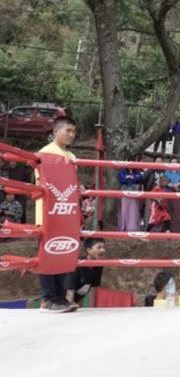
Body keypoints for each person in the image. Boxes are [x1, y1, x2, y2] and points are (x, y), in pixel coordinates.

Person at [35, 116, 78, 313]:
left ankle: (60, 298)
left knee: (63, 252)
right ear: (55, 131)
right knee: (48, 252)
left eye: (73, 131)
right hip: (47, 212)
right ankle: (48, 298)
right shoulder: (45, 153)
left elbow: (72, 184)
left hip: (66, 211)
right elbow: (40, 182)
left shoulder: (72, 157)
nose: (71, 135)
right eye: (67, 130)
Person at [65, 238, 106, 309]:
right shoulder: (77, 264)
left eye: (103, 247)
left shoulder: (99, 265)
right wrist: (70, 304)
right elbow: (69, 291)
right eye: (99, 247)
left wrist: (92, 308)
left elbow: (93, 288)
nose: (103, 250)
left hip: (76, 299)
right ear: (89, 250)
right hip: (62, 300)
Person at [117, 164, 143, 232]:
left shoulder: (137, 171)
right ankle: (123, 226)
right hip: (125, 191)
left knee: (134, 209)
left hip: (134, 192)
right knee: (124, 209)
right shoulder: (122, 171)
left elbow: (139, 178)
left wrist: (130, 177)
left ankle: (133, 227)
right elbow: (122, 179)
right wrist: (131, 178)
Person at [164, 158, 180, 232]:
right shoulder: (166, 172)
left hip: (178, 191)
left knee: (178, 211)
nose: (174, 164)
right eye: (172, 162)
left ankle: (177, 229)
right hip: (169, 192)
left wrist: (178, 184)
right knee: (168, 210)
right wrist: (171, 185)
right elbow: (163, 181)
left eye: (175, 162)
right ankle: (167, 228)